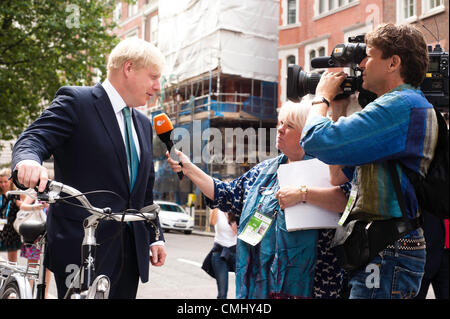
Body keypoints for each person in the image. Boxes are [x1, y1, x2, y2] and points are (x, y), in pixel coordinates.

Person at [11, 37, 166, 299]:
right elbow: (33, 139)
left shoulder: (143, 122)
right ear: (128, 68)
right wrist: (28, 161)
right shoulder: (77, 101)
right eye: (153, 77)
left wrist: (155, 235)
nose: (157, 87)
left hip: (129, 253)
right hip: (81, 246)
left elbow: (144, 190)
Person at [300, 23, 435, 299]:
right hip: (384, 247)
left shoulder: (400, 106)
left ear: (393, 63)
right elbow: (338, 176)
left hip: (389, 251)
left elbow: (313, 139)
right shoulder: (400, 106)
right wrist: (337, 109)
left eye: (369, 55)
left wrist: (322, 97)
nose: (360, 64)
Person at [167, 100, 349, 299]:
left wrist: (303, 193)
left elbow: (347, 200)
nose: (280, 130)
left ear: (307, 134)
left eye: (289, 126)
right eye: (280, 123)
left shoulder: (329, 168)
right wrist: (189, 168)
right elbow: (226, 194)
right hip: (263, 285)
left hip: (314, 286)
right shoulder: (265, 171)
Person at [209, 208, 237, 299]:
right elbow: (212, 222)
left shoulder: (238, 208)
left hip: (237, 251)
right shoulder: (216, 210)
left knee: (243, 288)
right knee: (222, 293)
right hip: (219, 252)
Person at [0, 168, 22, 262]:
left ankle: (11, 275)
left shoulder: (16, 194)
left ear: (11, 181)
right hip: (0, 227)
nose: (3, 184)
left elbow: (22, 206)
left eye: (5, 181)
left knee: (12, 259)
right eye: (0, 182)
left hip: (12, 230)